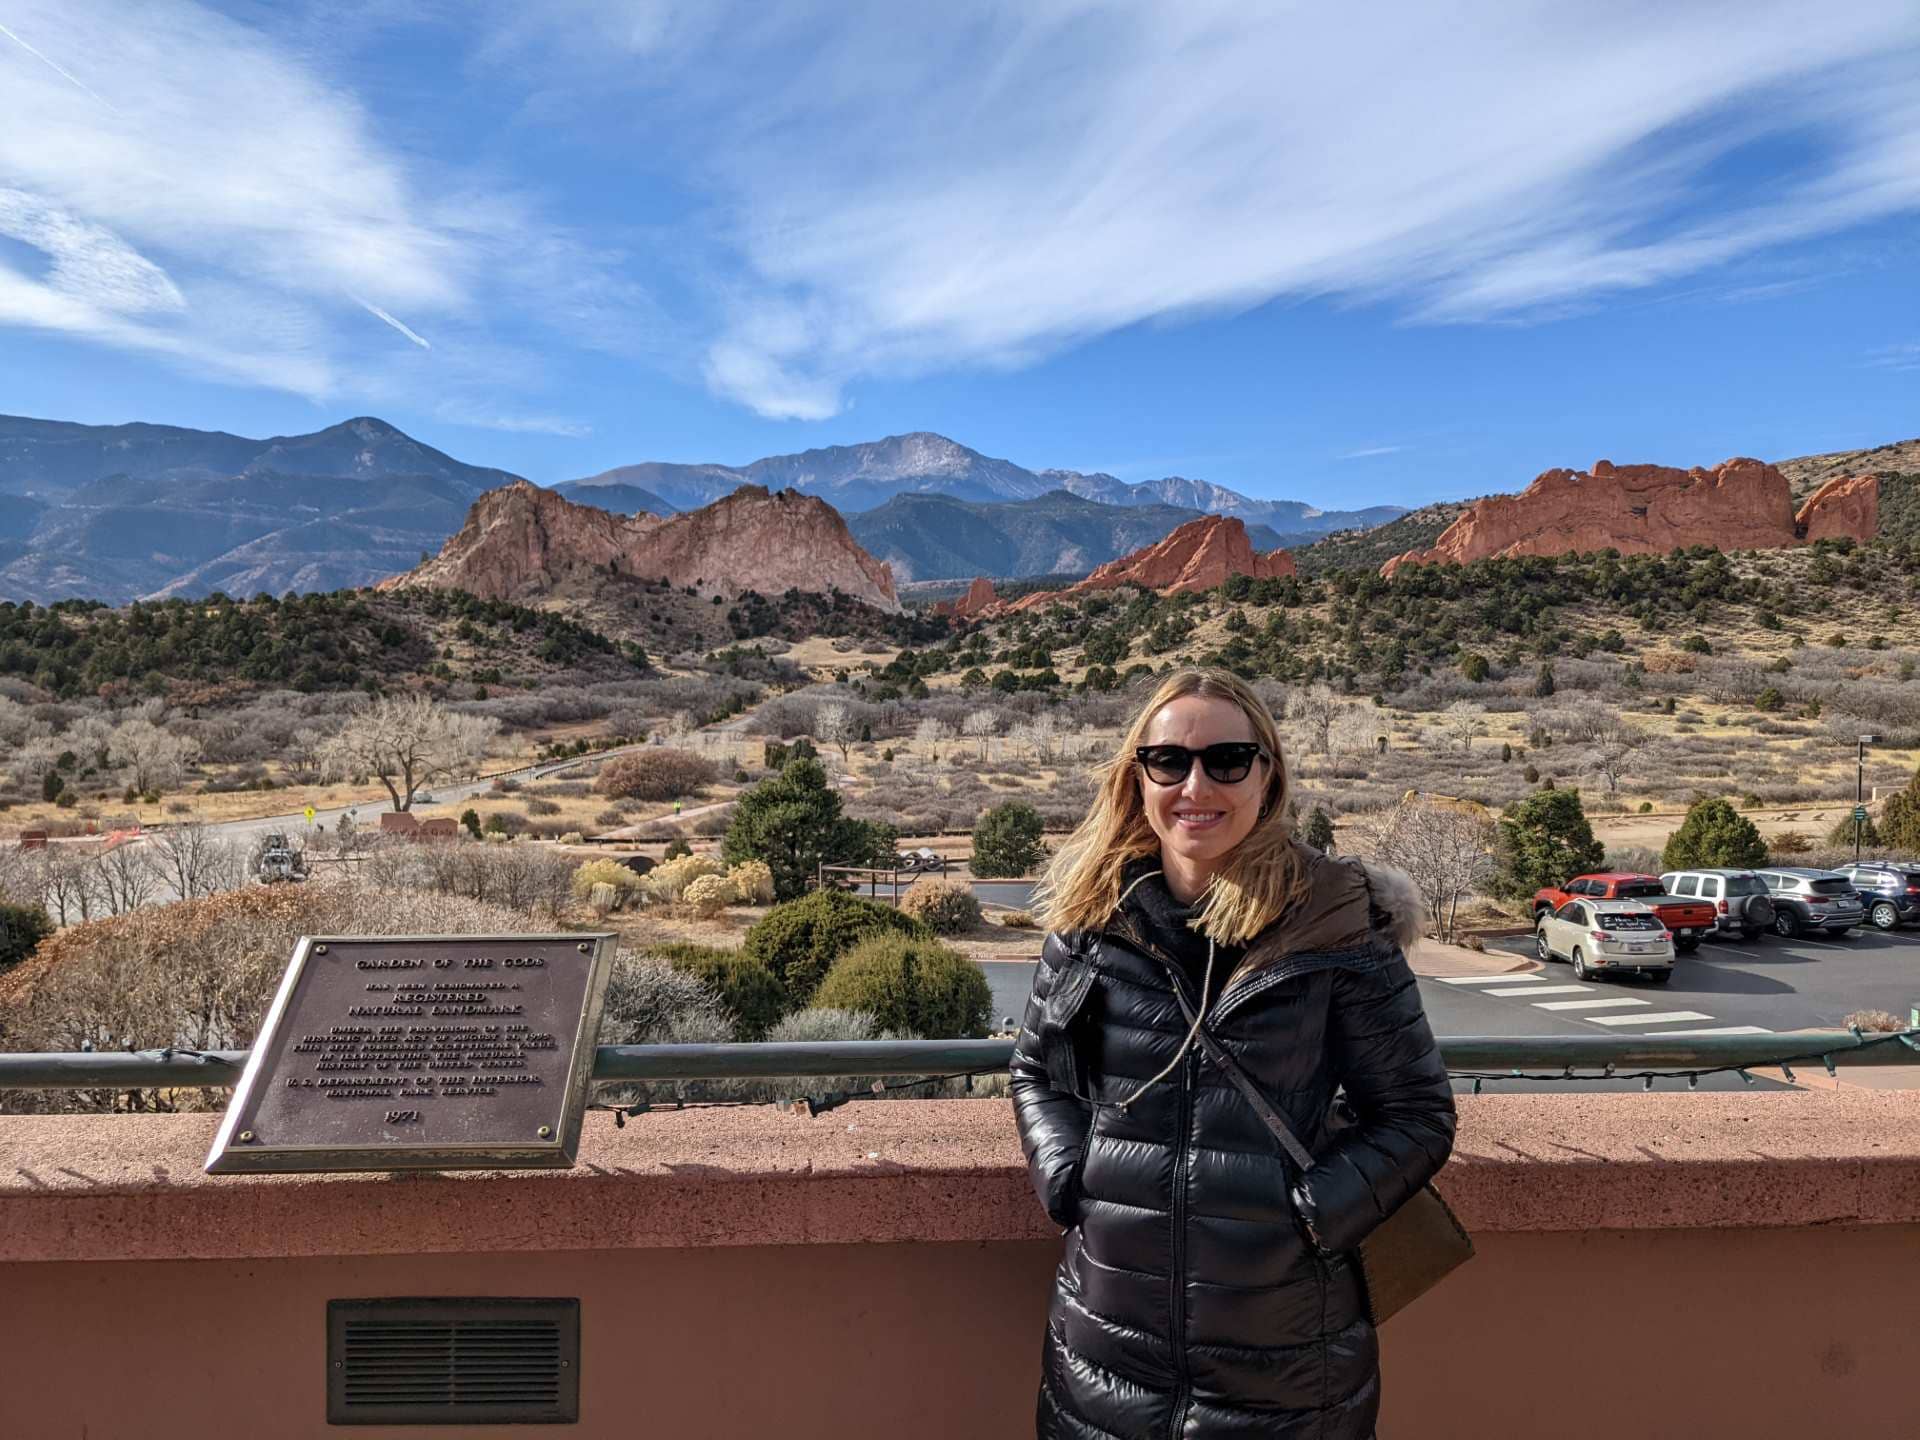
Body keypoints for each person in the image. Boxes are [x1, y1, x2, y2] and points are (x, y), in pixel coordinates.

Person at [1011, 668, 1454, 1440]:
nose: (1195, 785)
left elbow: (1416, 1114)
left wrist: (1308, 1216)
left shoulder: (1335, 923)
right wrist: (1070, 1180)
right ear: (1136, 775)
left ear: (1267, 774)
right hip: (1104, 1354)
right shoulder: (1090, 917)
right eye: (1168, 761)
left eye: (1226, 760)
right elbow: (1036, 1072)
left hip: (1284, 1366)